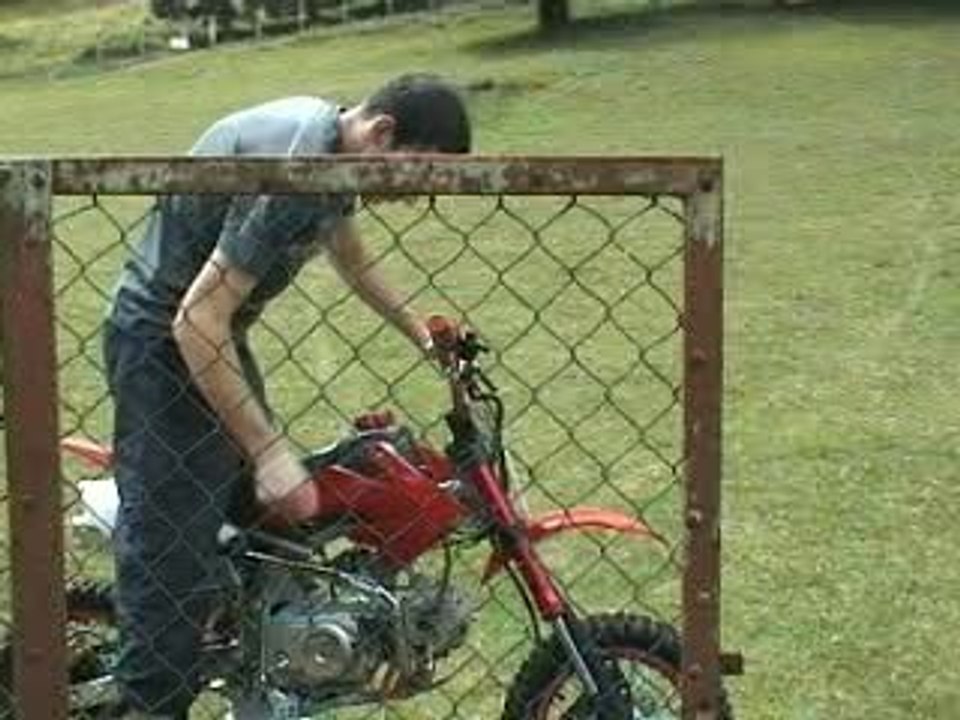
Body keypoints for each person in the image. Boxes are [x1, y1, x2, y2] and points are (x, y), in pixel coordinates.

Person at [102, 73, 471, 719]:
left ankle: (253, 664)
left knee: (266, 524)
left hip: (211, 335)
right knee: (173, 555)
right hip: (164, 342)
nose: (414, 198)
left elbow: (351, 257)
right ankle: (147, 702)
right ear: (383, 134)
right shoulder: (300, 169)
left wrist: (420, 332)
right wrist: (269, 450)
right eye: (415, 177)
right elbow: (195, 321)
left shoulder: (334, 156)